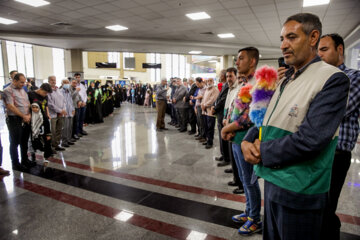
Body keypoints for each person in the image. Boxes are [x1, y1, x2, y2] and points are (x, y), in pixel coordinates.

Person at [241, 13, 349, 240]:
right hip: (273, 182)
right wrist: (247, 139)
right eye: (282, 39)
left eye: (291, 37)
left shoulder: (332, 79)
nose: (283, 45)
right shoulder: (287, 79)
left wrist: (262, 152)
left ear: (313, 38)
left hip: (300, 191)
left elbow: (311, 139)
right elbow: (268, 119)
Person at [318, 33, 360, 240]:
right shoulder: (318, 78)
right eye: (318, 50)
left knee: (326, 205)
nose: (320, 55)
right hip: (315, 149)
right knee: (316, 204)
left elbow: (334, 111)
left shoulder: (352, 77)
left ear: (340, 50)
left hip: (336, 153)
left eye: (324, 49)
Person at [222, 47, 261, 235]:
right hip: (236, 138)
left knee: (250, 181)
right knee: (245, 180)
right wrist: (228, 124)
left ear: (252, 61)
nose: (237, 62)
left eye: (241, 59)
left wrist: (227, 128)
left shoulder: (258, 83)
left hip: (247, 139)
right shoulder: (243, 82)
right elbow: (235, 108)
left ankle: (255, 219)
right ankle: (249, 211)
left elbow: (250, 117)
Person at [3, 73, 32, 171]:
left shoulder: (23, 90)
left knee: (24, 141)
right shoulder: (8, 90)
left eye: (24, 82)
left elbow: (27, 103)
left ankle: (25, 160)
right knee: (15, 142)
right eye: (21, 82)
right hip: (14, 119)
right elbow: (10, 106)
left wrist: (28, 115)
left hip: (26, 119)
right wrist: (23, 116)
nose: (23, 84)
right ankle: (15, 163)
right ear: (14, 81)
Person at [27, 83, 53, 162]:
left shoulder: (45, 96)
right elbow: (27, 106)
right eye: (44, 92)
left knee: (46, 135)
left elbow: (46, 106)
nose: (45, 95)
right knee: (34, 136)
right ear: (40, 89)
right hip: (34, 119)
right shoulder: (30, 94)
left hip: (44, 118)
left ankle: (46, 151)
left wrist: (48, 114)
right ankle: (32, 153)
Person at [211, 69, 229, 166]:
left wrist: (215, 108)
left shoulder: (227, 86)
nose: (219, 76)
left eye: (220, 74)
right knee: (220, 136)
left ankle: (226, 158)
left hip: (222, 113)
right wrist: (214, 106)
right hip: (219, 113)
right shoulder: (224, 85)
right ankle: (223, 154)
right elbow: (218, 98)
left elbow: (222, 100)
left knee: (223, 136)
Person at [47, 75, 66, 151]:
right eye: (52, 80)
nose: (54, 81)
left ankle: (57, 145)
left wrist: (63, 109)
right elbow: (50, 104)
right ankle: (51, 146)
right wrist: (60, 110)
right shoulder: (48, 91)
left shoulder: (58, 90)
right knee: (53, 131)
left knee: (59, 130)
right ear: (48, 81)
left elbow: (63, 101)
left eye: (54, 80)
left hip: (60, 114)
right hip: (53, 115)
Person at [201, 78, 219, 149]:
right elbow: (203, 98)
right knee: (206, 126)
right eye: (208, 81)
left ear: (213, 82)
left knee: (210, 127)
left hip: (210, 111)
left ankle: (210, 142)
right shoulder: (206, 89)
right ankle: (207, 139)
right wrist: (202, 104)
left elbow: (213, 100)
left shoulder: (215, 90)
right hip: (204, 111)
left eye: (210, 81)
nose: (209, 82)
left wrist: (204, 105)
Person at [60, 79, 75, 148]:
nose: (66, 84)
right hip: (64, 112)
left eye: (67, 83)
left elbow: (70, 101)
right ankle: (64, 141)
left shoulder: (68, 91)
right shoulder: (60, 92)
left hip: (70, 111)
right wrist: (63, 110)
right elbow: (61, 102)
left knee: (69, 127)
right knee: (65, 128)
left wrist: (73, 109)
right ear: (62, 84)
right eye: (65, 83)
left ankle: (69, 139)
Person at [194, 78, 206, 143]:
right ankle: (201, 134)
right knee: (199, 122)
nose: (197, 85)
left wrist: (195, 97)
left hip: (202, 107)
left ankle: (204, 136)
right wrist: (195, 107)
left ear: (201, 82)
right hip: (198, 106)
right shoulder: (199, 89)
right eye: (196, 84)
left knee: (202, 122)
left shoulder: (205, 89)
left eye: (198, 84)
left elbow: (202, 97)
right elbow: (197, 99)